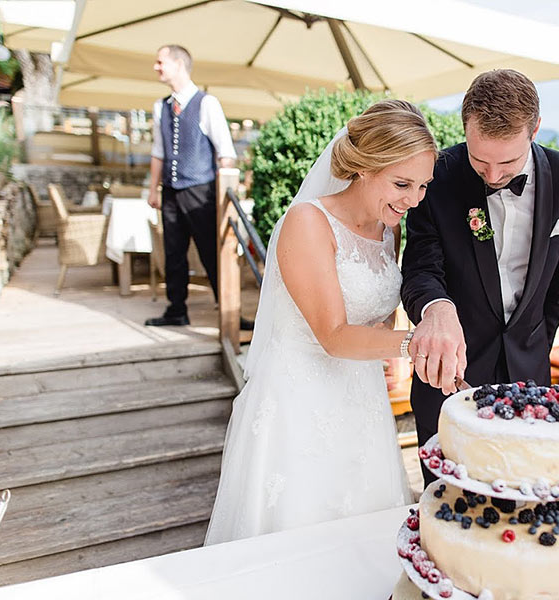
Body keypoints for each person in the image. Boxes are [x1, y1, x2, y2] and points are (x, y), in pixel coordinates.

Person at [204, 100, 437, 543]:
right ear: (364, 167)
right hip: (301, 402)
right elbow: (332, 335)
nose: (413, 200)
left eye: (422, 186)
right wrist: (418, 343)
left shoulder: (391, 228)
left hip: (362, 401)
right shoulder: (309, 222)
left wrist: (394, 343)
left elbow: (380, 317)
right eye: (402, 183)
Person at [401, 69, 559, 485]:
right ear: (465, 126)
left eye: (507, 162)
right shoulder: (438, 174)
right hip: (449, 376)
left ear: (535, 129)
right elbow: (420, 266)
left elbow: (558, 281)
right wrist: (436, 308)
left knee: (523, 499)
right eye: (479, 158)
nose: (491, 175)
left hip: (530, 377)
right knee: (448, 507)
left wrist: (535, 345)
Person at [144, 44, 243, 327]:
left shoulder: (206, 103)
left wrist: (225, 192)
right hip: (171, 191)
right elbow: (158, 152)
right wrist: (153, 190)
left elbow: (226, 153)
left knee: (211, 251)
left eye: (160, 62)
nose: (156, 67)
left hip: (201, 190)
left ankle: (229, 310)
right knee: (173, 252)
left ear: (178, 64)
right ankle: (177, 310)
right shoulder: (160, 107)